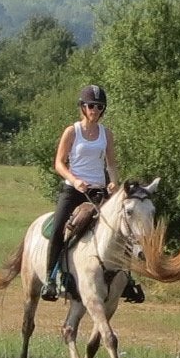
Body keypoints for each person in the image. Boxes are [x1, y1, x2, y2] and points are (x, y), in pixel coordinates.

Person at [45, 84, 136, 302]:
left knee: (122, 228)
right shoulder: (72, 131)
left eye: (99, 107)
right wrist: (75, 180)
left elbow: (111, 164)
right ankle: (51, 278)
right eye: (91, 106)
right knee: (59, 228)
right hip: (74, 190)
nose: (95, 110)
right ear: (83, 107)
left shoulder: (106, 134)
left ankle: (126, 280)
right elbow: (59, 162)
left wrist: (113, 182)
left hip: (99, 191)